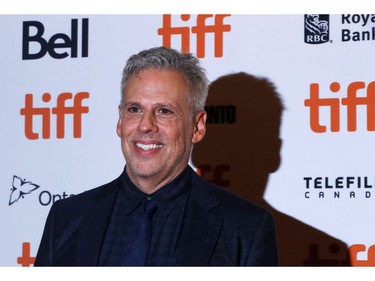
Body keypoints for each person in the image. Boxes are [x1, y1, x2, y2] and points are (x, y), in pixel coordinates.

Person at [34, 46, 279, 266]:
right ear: (120, 121)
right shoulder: (66, 218)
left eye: (164, 111)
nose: (145, 125)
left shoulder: (246, 229)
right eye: (135, 109)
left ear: (197, 127)